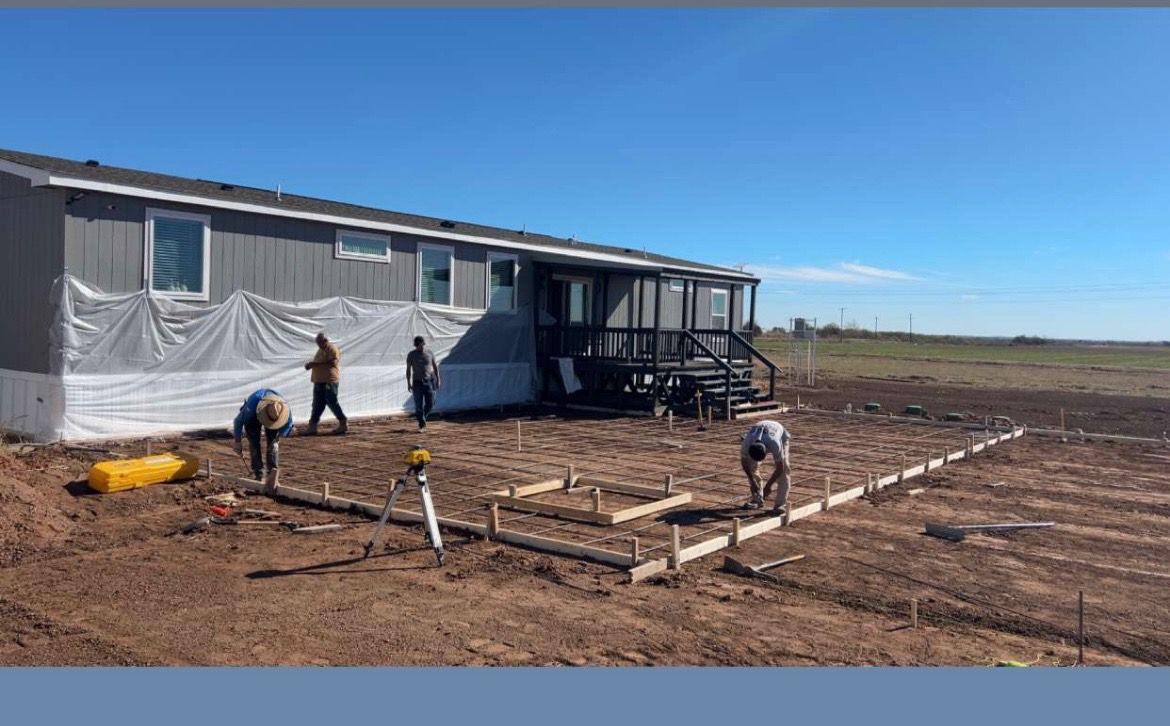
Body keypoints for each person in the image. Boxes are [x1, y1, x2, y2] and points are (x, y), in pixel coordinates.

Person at [232, 389, 294, 494]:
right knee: (254, 442)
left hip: (273, 416)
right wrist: (237, 441)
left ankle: (272, 475)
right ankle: (258, 474)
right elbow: (238, 421)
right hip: (254, 415)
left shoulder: (283, 409)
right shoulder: (252, 406)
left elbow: (288, 426)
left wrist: (278, 438)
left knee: (273, 444)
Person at [740, 419, 792, 513]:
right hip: (761, 432)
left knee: (785, 471)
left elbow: (780, 468)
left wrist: (768, 486)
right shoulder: (746, 443)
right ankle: (757, 499)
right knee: (751, 466)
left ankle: (780, 504)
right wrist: (752, 482)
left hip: (780, 435)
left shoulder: (775, 443)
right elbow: (744, 464)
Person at [304, 332, 348, 435]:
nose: (318, 344)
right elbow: (319, 363)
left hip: (329, 380)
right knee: (317, 404)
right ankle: (312, 426)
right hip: (319, 381)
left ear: (325, 340)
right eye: (317, 342)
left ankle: (343, 422)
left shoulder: (331, 348)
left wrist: (315, 364)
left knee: (332, 401)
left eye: (319, 342)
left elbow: (333, 362)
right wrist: (311, 365)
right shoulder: (320, 349)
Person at [406, 335, 441, 432]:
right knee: (418, 405)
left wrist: (438, 379)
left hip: (429, 381)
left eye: (422, 345)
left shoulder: (429, 353)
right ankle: (422, 425)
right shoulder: (411, 355)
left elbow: (435, 367)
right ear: (415, 345)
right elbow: (408, 370)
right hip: (417, 383)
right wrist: (408, 383)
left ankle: (423, 418)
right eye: (419, 346)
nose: (421, 347)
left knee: (431, 403)